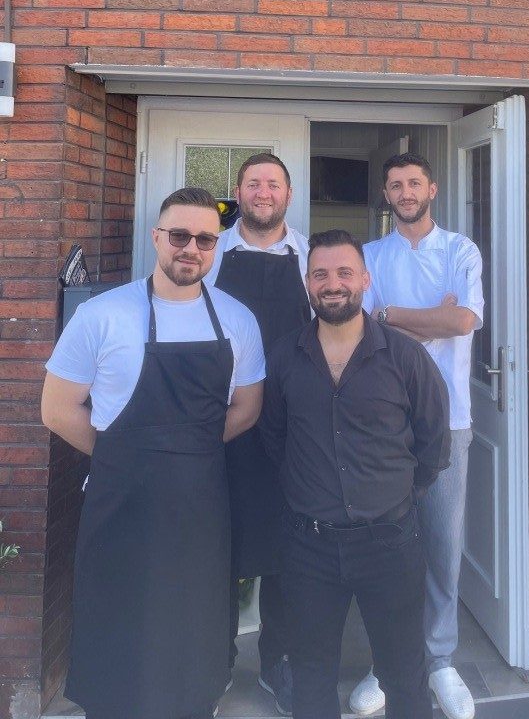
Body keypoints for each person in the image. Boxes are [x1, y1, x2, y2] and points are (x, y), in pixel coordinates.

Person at [41, 187, 265, 719]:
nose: (191, 248)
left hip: (200, 504)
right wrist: (123, 454)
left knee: (194, 620)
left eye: (205, 239)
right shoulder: (103, 314)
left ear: (216, 246)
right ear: (157, 238)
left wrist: (186, 453)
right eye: (180, 236)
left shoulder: (237, 321)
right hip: (120, 502)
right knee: (117, 618)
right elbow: (56, 408)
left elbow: (247, 409)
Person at [260, 229, 451, 719]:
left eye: (345, 272)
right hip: (309, 548)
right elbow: (274, 439)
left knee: (405, 678)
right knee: (311, 678)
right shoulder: (284, 356)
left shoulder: (406, 357)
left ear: (365, 279)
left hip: (389, 543)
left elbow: (433, 443)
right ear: (308, 284)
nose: (333, 283)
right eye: (320, 274)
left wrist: (398, 494)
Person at [350, 152, 483, 719]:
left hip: (449, 421)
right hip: (387, 422)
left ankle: (441, 661)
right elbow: (363, 325)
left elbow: (462, 322)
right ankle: (387, 662)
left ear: (432, 188)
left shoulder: (461, 251)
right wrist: (423, 316)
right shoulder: (371, 255)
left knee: (442, 547)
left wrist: (394, 316)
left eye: (414, 183)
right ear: (386, 193)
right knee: (389, 547)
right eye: (396, 184)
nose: (405, 192)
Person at [205, 152, 310, 715]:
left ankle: (278, 662)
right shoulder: (211, 251)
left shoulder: (310, 255)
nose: (263, 192)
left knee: (286, 549)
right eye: (253, 184)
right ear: (238, 193)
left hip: (292, 426)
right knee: (217, 542)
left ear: (288, 196)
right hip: (221, 422)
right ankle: (213, 662)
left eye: (273, 184)